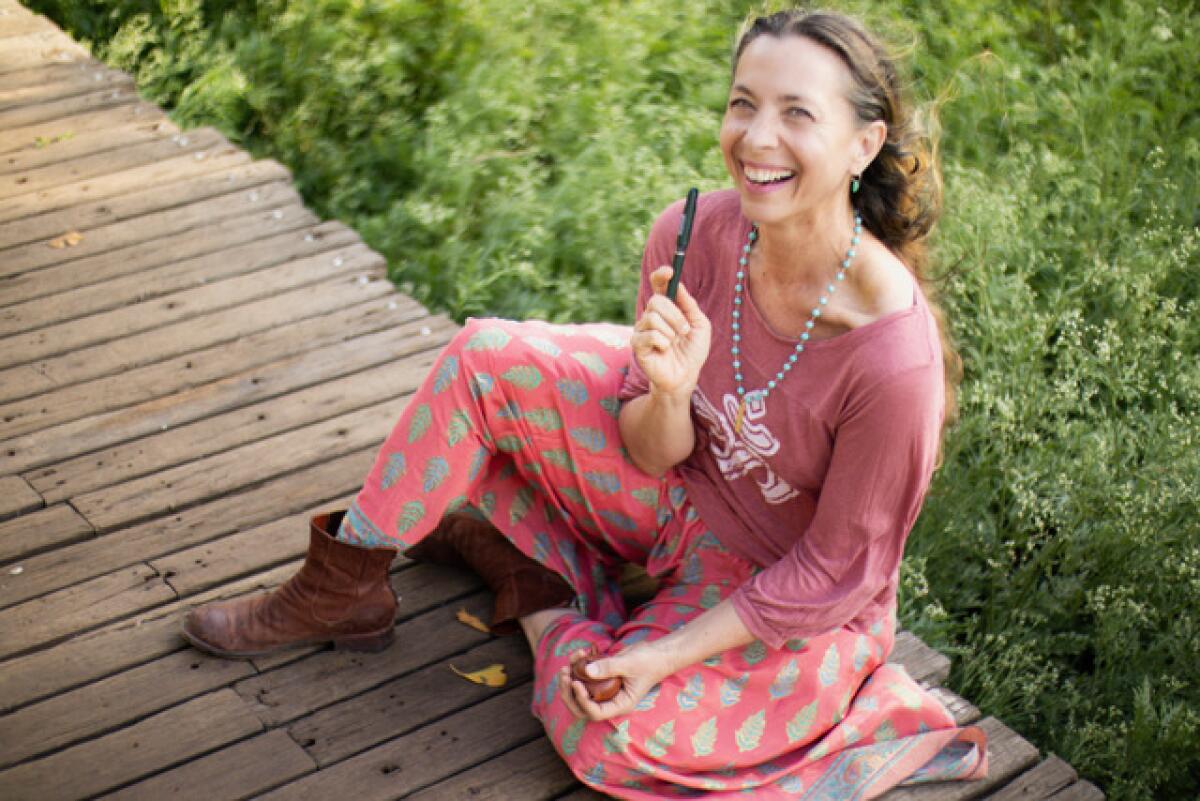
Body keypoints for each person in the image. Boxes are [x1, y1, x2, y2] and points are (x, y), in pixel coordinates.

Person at [182, 9, 988, 798]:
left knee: (607, 731)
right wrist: (670, 392)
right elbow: (650, 449)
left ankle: (542, 588)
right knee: (483, 362)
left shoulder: (893, 360)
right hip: (671, 495)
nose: (756, 137)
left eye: (796, 113)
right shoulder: (692, 232)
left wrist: (658, 659)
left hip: (775, 590)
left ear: (863, 144)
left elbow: (833, 573)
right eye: (743, 103)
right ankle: (345, 585)